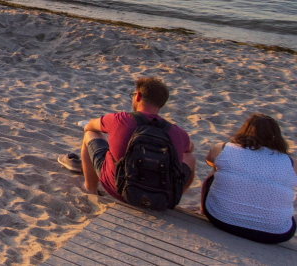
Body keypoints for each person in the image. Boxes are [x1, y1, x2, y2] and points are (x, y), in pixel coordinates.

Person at [63, 77, 195, 207]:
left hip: (118, 189)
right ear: (162, 104)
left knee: (90, 134)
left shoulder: (120, 119)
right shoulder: (178, 133)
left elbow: (89, 126)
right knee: (191, 157)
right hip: (160, 196)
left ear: (137, 96)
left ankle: (90, 188)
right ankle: (173, 196)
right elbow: (189, 149)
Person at [202, 114, 297, 244]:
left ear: (245, 130)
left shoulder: (223, 148)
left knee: (216, 170)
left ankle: (203, 208)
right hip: (276, 233)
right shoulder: (291, 163)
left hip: (221, 219)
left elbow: (209, 160)